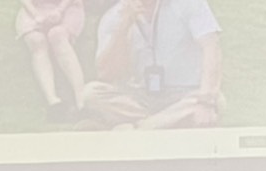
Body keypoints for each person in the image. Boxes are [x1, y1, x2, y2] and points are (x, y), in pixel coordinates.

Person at [82, 0, 225, 130]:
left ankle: (140, 127)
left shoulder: (188, 3)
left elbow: (211, 48)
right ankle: (164, 123)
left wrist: (205, 100)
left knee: (216, 101)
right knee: (91, 94)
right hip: (139, 98)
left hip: (182, 94)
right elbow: (106, 74)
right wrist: (124, 25)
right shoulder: (114, 16)